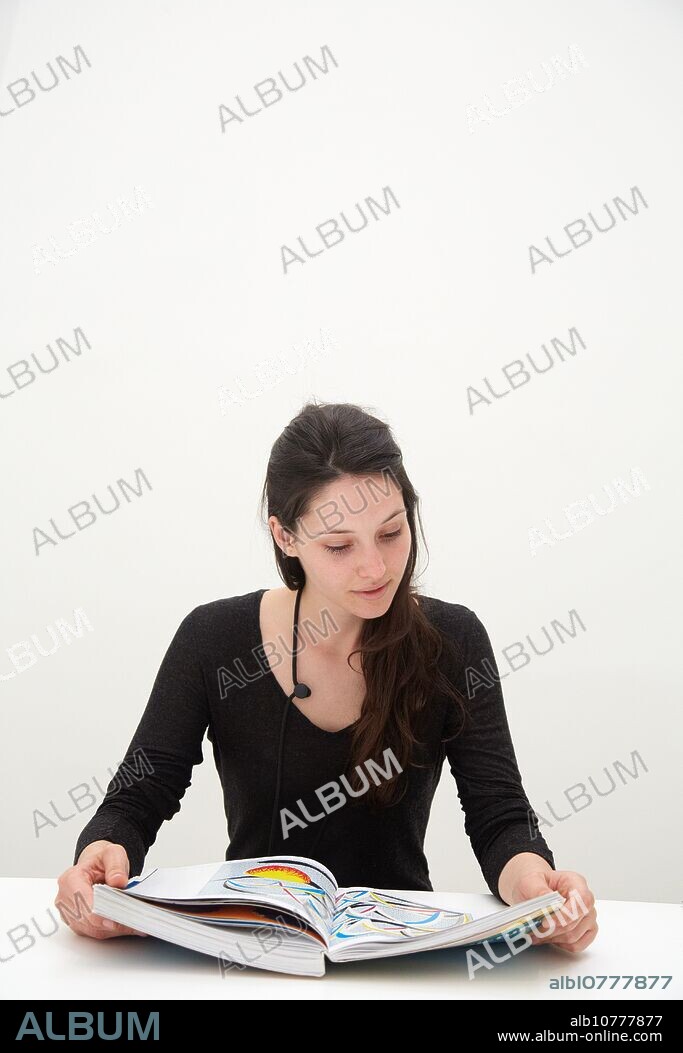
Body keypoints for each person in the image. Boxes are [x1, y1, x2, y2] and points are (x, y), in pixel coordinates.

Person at [55, 400, 597, 952]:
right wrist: (102, 854)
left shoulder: (452, 642)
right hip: (253, 953)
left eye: (391, 532)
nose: (376, 568)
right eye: (339, 546)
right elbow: (136, 799)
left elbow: (499, 816)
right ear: (285, 537)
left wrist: (538, 886)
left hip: (401, 960)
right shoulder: (212, 639)